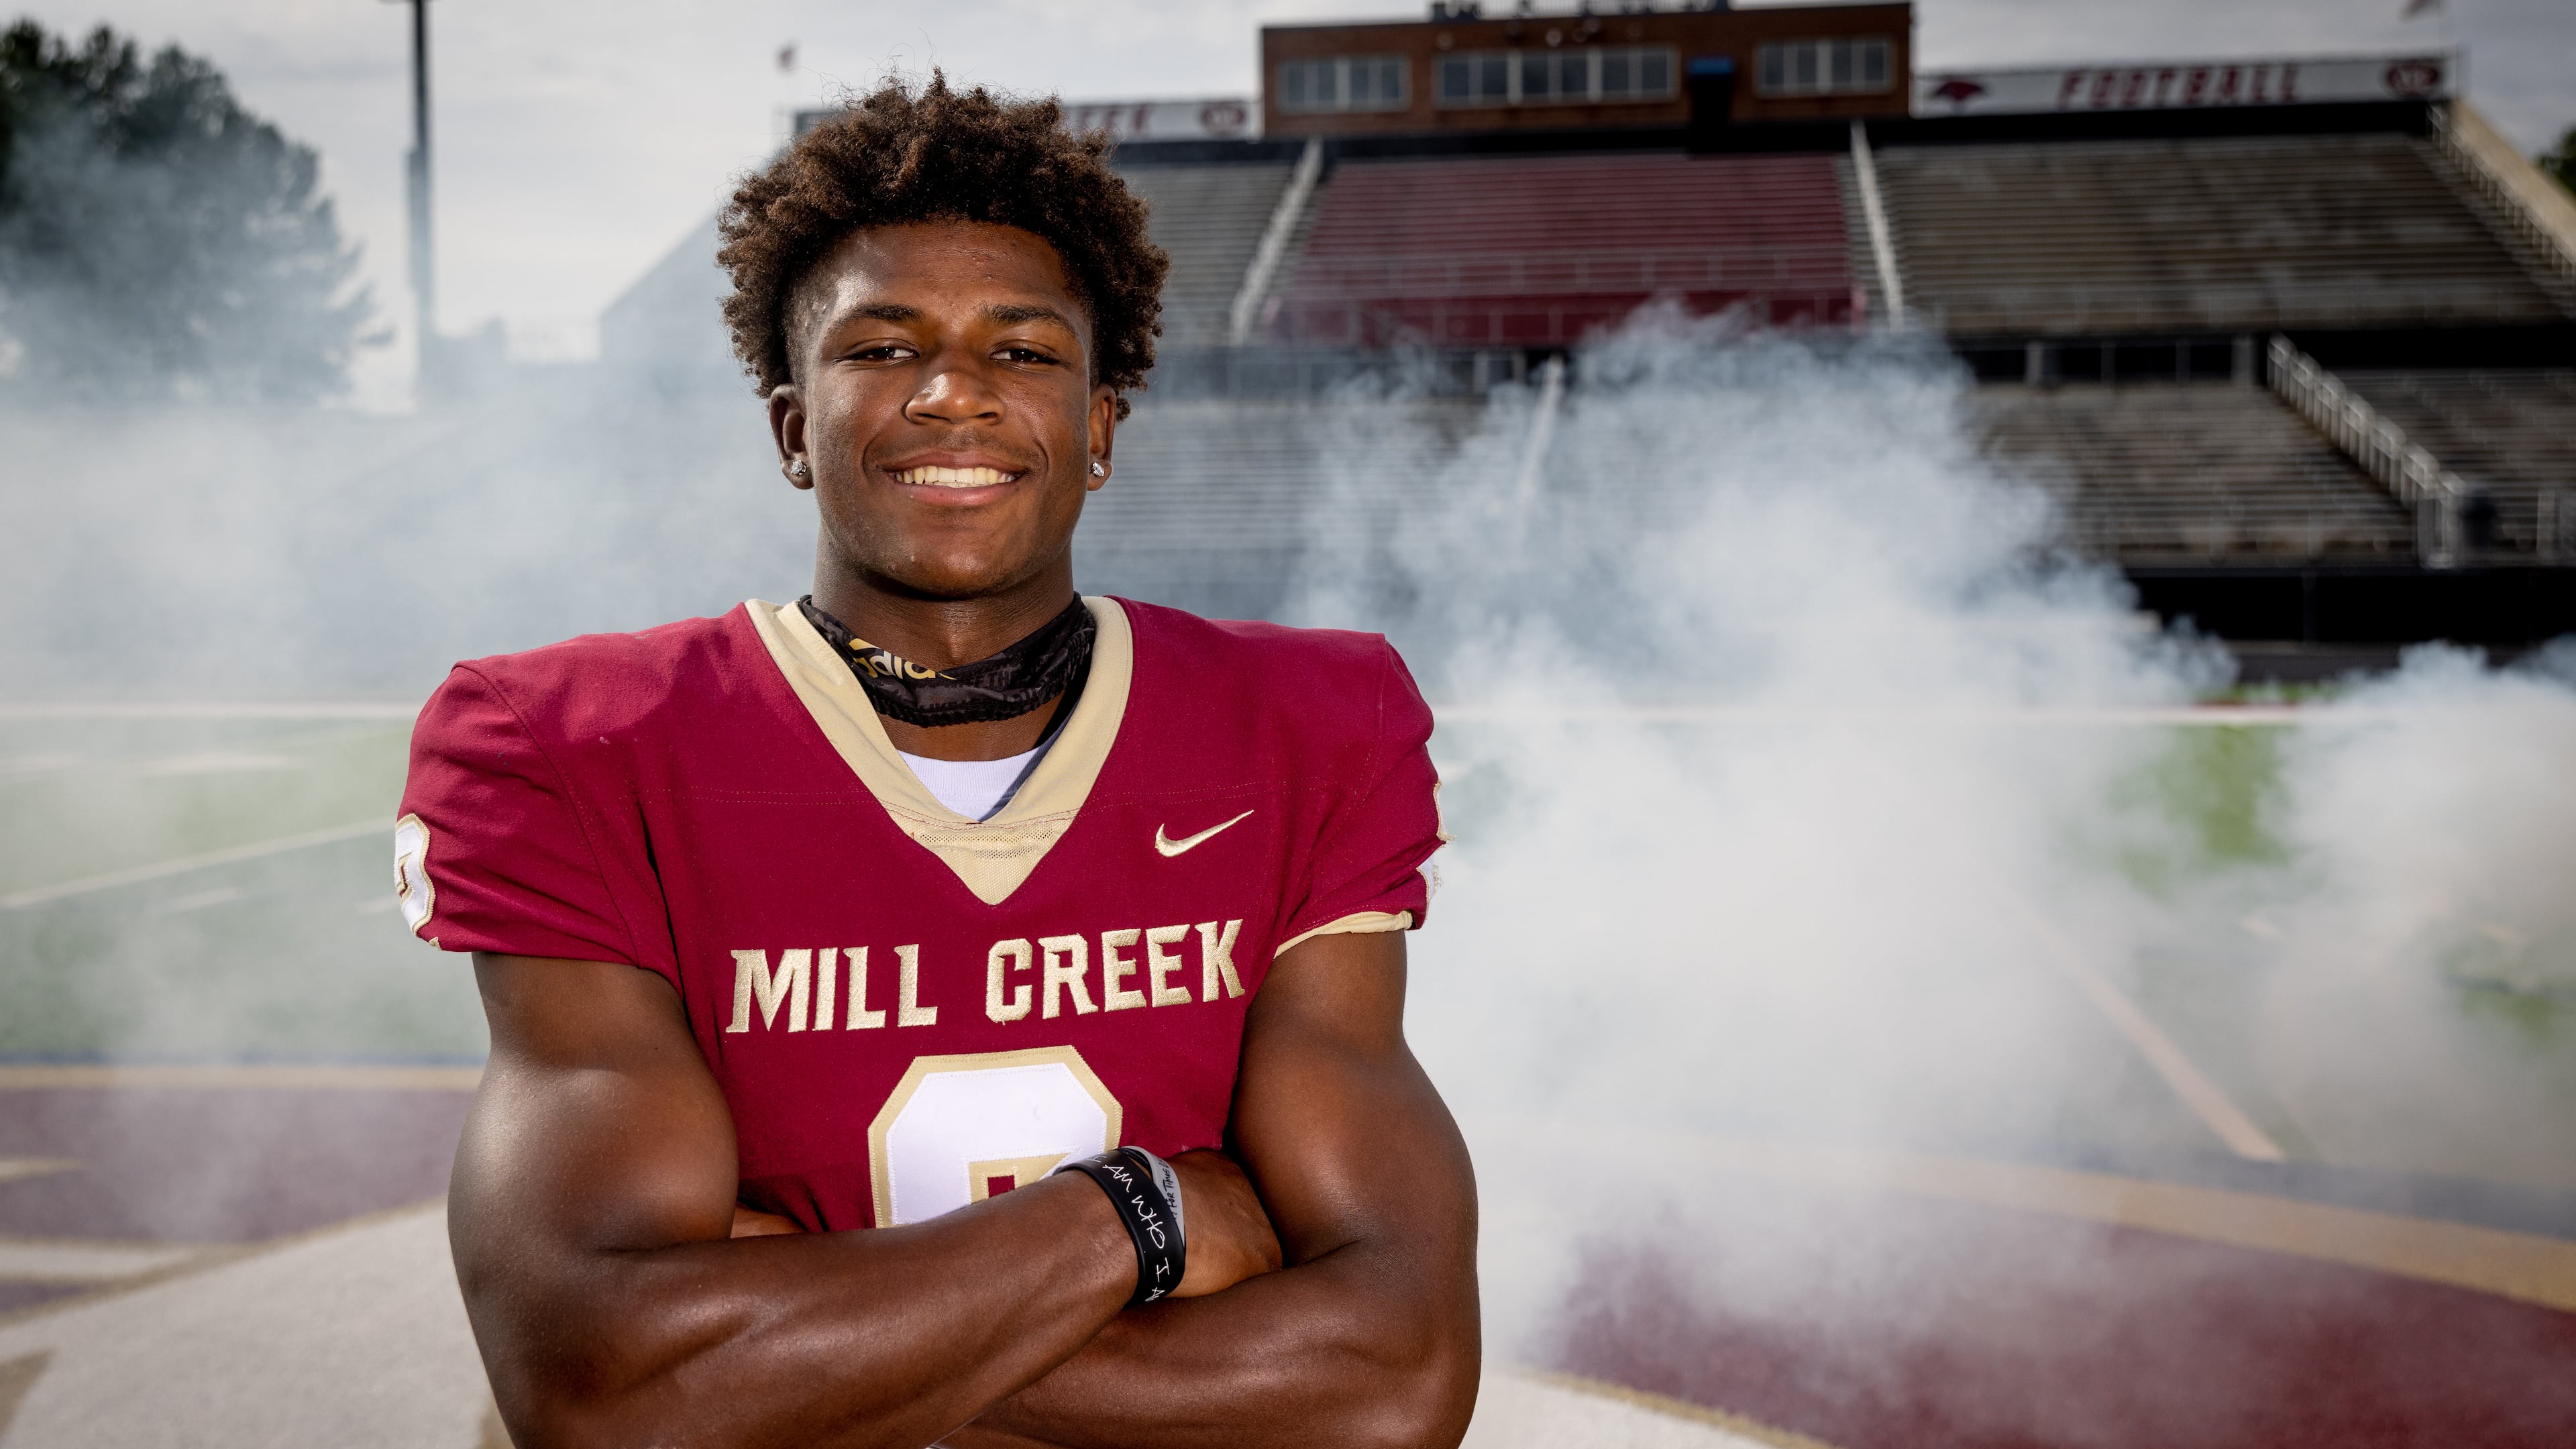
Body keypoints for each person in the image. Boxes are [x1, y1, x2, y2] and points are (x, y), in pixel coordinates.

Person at [396, 76, 1480, 1448]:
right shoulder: (571, 746)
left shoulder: (1313, 726)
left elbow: (1397, 1380)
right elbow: (605, 1395)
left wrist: (780, 1331)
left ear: (1099, 429)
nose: (955, 393)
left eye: (1023, 353)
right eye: (883, 348)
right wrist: (1136, 1221)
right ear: (794, 428)